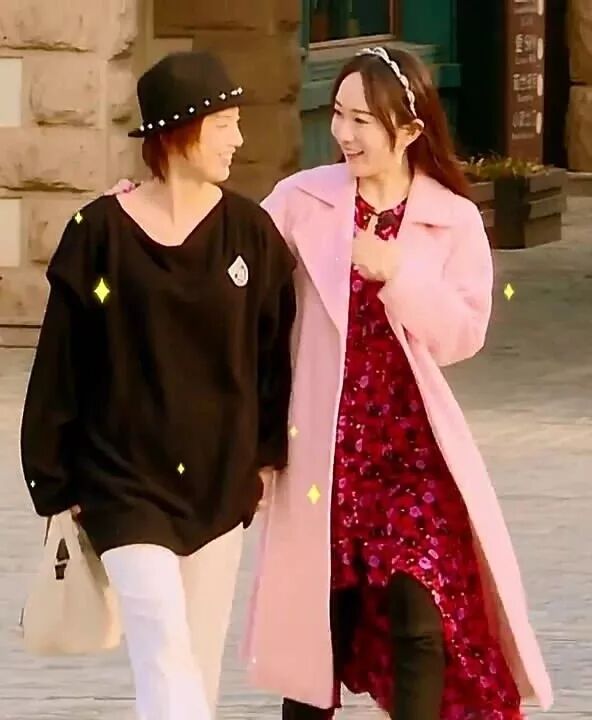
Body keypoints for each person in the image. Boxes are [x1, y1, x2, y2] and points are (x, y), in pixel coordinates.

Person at [243, 47, 553, 719]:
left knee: (421, 620)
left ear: (410, 130)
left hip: (412, 452)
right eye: (339, 114)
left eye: (363, 120)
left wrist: (399, 273)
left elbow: (463, 334)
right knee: (319, 631)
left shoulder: (452, 218)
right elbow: (234, 269)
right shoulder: (301, 201)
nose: (344, 133)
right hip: (325, 450)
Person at [20, 50, 296, 720]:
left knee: (193, 659)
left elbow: (274, 356)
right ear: (178, 131)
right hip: (121, 480)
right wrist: (54, 479)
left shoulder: (250, 234)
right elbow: (62, 361)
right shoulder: (98, 234)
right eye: (224, 124)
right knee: (163, 641)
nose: (237, 139)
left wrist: (267, 456)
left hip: (219, 479)